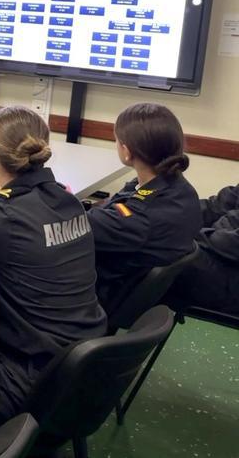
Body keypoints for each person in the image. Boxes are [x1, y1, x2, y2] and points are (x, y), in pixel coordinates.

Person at [0, 105, 107, 428]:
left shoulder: (1, 218)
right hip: (84, 372)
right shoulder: (70, 201)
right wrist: (2, 196)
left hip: (27, 383)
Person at [88, 103, 201, 310]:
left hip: (97, 297)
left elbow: (77, 224)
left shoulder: (139, 218)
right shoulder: (181, 190)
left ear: (127, 152)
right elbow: (125, 200)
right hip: (129, 284)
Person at [164, 183, 239, 315]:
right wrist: (167, 212)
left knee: (161, 254)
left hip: (233, 275)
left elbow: (228, 243)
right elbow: (215, 207)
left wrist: (186, 235)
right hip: (219, 249)